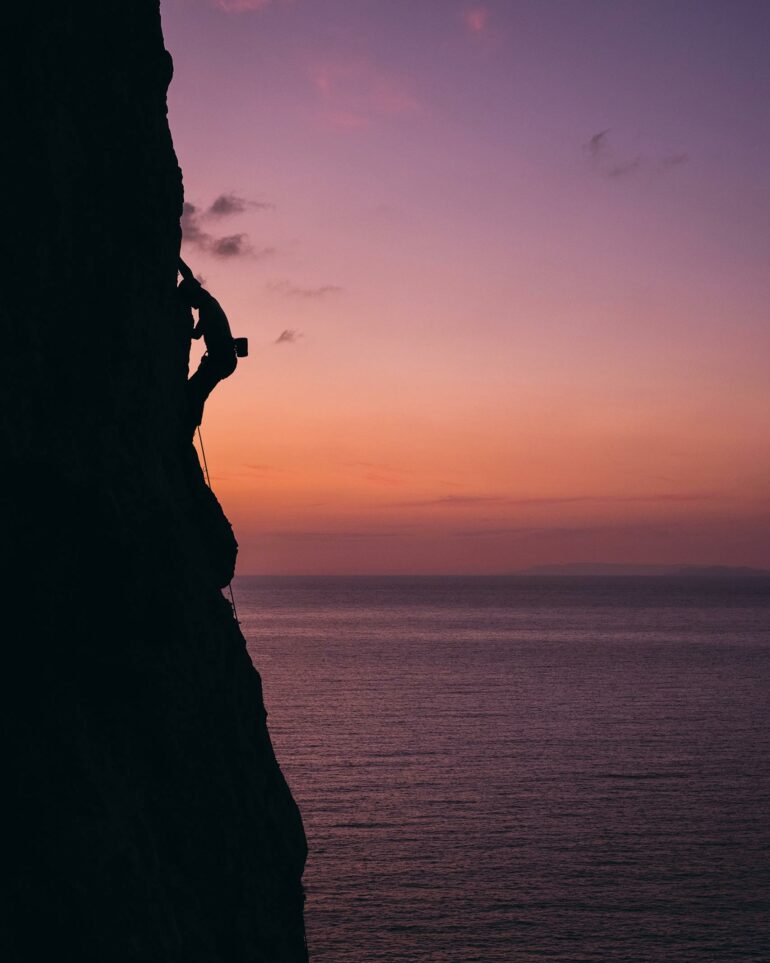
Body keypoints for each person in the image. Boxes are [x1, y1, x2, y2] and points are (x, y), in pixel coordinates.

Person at [178, 258, 239, 436]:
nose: (191, 306)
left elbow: (196, 334)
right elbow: (188, 275)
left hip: (221, 360)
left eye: (190, 301)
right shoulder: (208, 302)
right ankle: (189, 426)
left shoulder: (207, 309)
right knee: (197, 390)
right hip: (221, 359)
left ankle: (189, 429)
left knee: (196, 391)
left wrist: (179, 325)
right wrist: (177, 260)